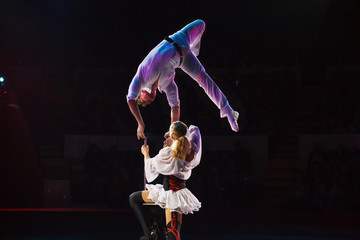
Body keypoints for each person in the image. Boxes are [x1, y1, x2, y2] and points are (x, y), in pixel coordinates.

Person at [127, 19, 239, 140]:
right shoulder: (166, 85)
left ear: (141, 92)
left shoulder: (142, 76)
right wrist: (172, 130)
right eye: (147, 104)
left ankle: (195, 49)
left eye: (144, 102)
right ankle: (228, 111)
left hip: (178, 38)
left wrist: (140, 123)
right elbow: (175, 106)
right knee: (203, 78)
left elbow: (130, 99)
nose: (148, 102)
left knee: (201, 24)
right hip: (183, 59)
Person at [129, 121, 202, 240]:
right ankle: (150, 235)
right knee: (135, 198)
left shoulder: (169, 152)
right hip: (169, 191)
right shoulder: (192, 147)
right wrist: (173, 137)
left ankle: (151, 231)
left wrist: (146, 154)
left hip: (172, 196)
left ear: (173, 136)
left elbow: (151, 167)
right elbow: (195, 130)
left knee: (172, 235)